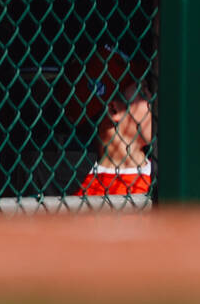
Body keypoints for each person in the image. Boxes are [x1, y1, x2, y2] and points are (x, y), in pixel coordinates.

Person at [62, 44, 154, 197]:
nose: (153, 99)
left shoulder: (168, 176)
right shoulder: (86, 197)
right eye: (143, 92)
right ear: (113, 110)